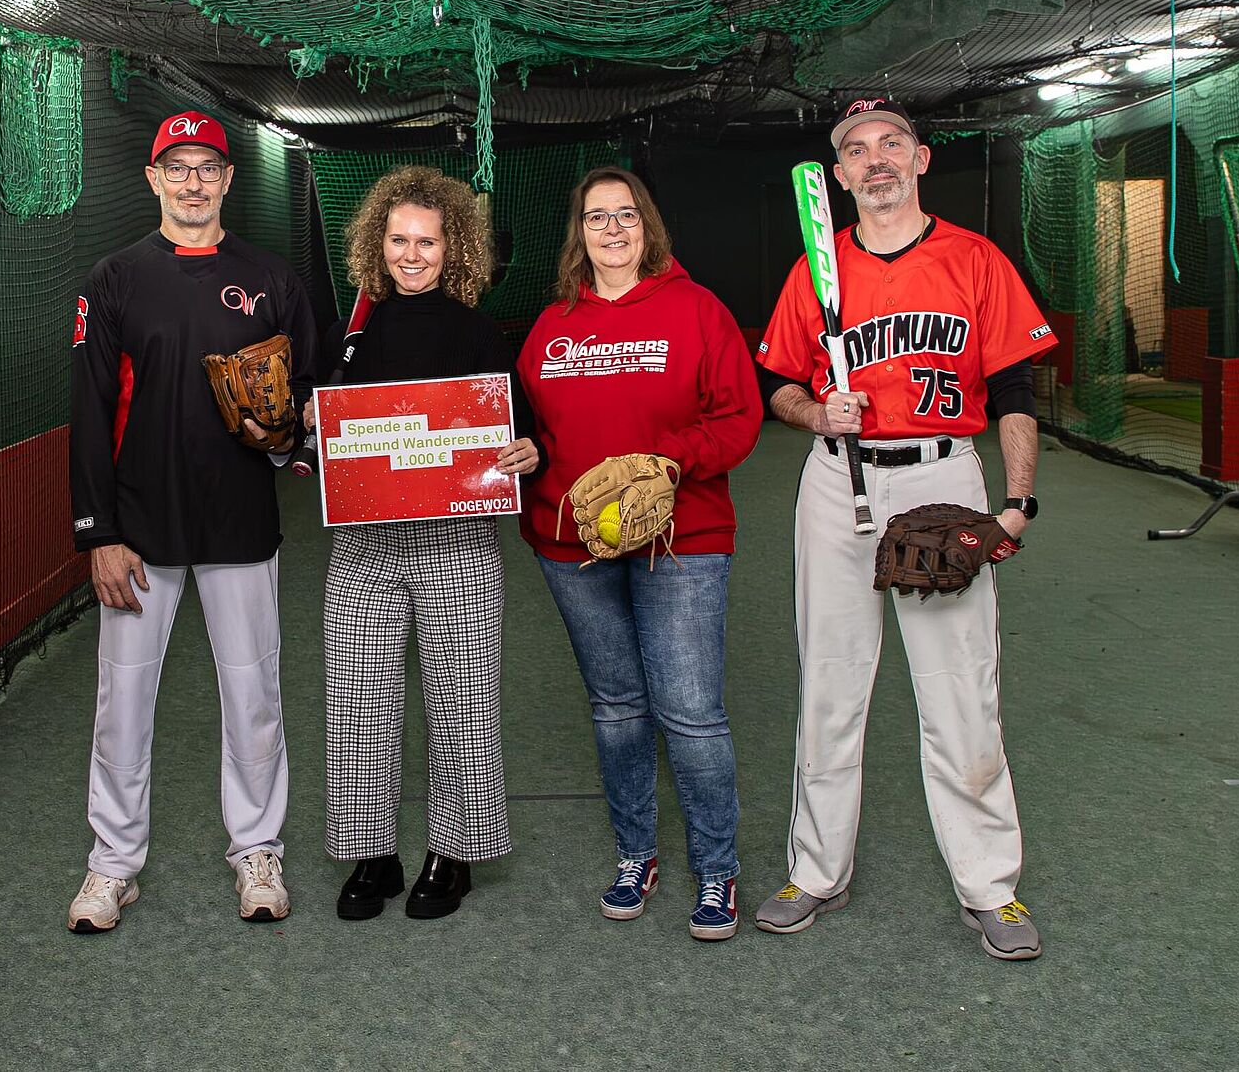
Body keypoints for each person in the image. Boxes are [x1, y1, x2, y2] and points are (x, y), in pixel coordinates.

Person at [751, 97, 1056, 960]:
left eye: (891, 144)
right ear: (839, 176)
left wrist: (1016, 503)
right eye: (856, 150)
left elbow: (1018, 392)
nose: (875, 159)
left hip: (942, 479)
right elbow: (775, 380)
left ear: (921, 159)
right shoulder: (818, 269)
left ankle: (990, 889)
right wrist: (816, 413)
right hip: (837, 485)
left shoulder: (973, 258)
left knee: (961, 689)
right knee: (830, 685)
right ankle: (816, 871)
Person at [65, 111, 317, 932]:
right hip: (139, 529)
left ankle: (256, 852)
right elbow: (90, 409)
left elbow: (307, 406)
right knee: (123, 701)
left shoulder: (272, 279)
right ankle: (112, 865)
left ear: (228, 179)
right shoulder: (115, 279)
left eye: (208, 165)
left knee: (254, 694)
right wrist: (99, 531)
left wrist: (289, 441)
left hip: (240, 521)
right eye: (178, 166)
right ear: (153, 179)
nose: (194, 180)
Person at [516, 166, 762, 941]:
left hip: (680, 541)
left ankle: (717, 869)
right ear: (579, 233)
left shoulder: (697, 311)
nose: (613, 230)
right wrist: (519, 453)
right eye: (597, 217)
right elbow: (524, 426)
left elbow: (739, 417)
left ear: (648, 226)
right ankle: (635, 854)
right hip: (572, 544)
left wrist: (671, 462)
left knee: (689, 713)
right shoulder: (552, 325)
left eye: (627, 215)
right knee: (618, 711)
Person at [320, 166, 542, 920]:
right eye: (398, 240)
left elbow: (520, 429)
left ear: (454, 250)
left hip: (457, 541)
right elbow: (327, 445)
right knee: (357, 701)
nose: (411, 255)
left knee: (464, 700)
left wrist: (523, 449)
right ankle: (372, 855)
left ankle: (456, 853)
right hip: (364, 548)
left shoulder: (479, 332)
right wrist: (314, 434)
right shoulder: (350, 336)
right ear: (376, 245)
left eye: (427, 242)